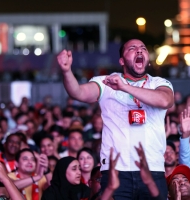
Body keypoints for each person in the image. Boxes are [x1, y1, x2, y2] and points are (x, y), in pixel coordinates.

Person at [58, 38, 174, 199]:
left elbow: (165, 101)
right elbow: (78, 92)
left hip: (152, 170)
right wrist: (66, 72)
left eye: (143, 48)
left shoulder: (159, 83)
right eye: (132, 48)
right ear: (121, 60)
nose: (139, 50)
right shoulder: (106, 82)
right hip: (116, 172)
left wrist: (124, 87)